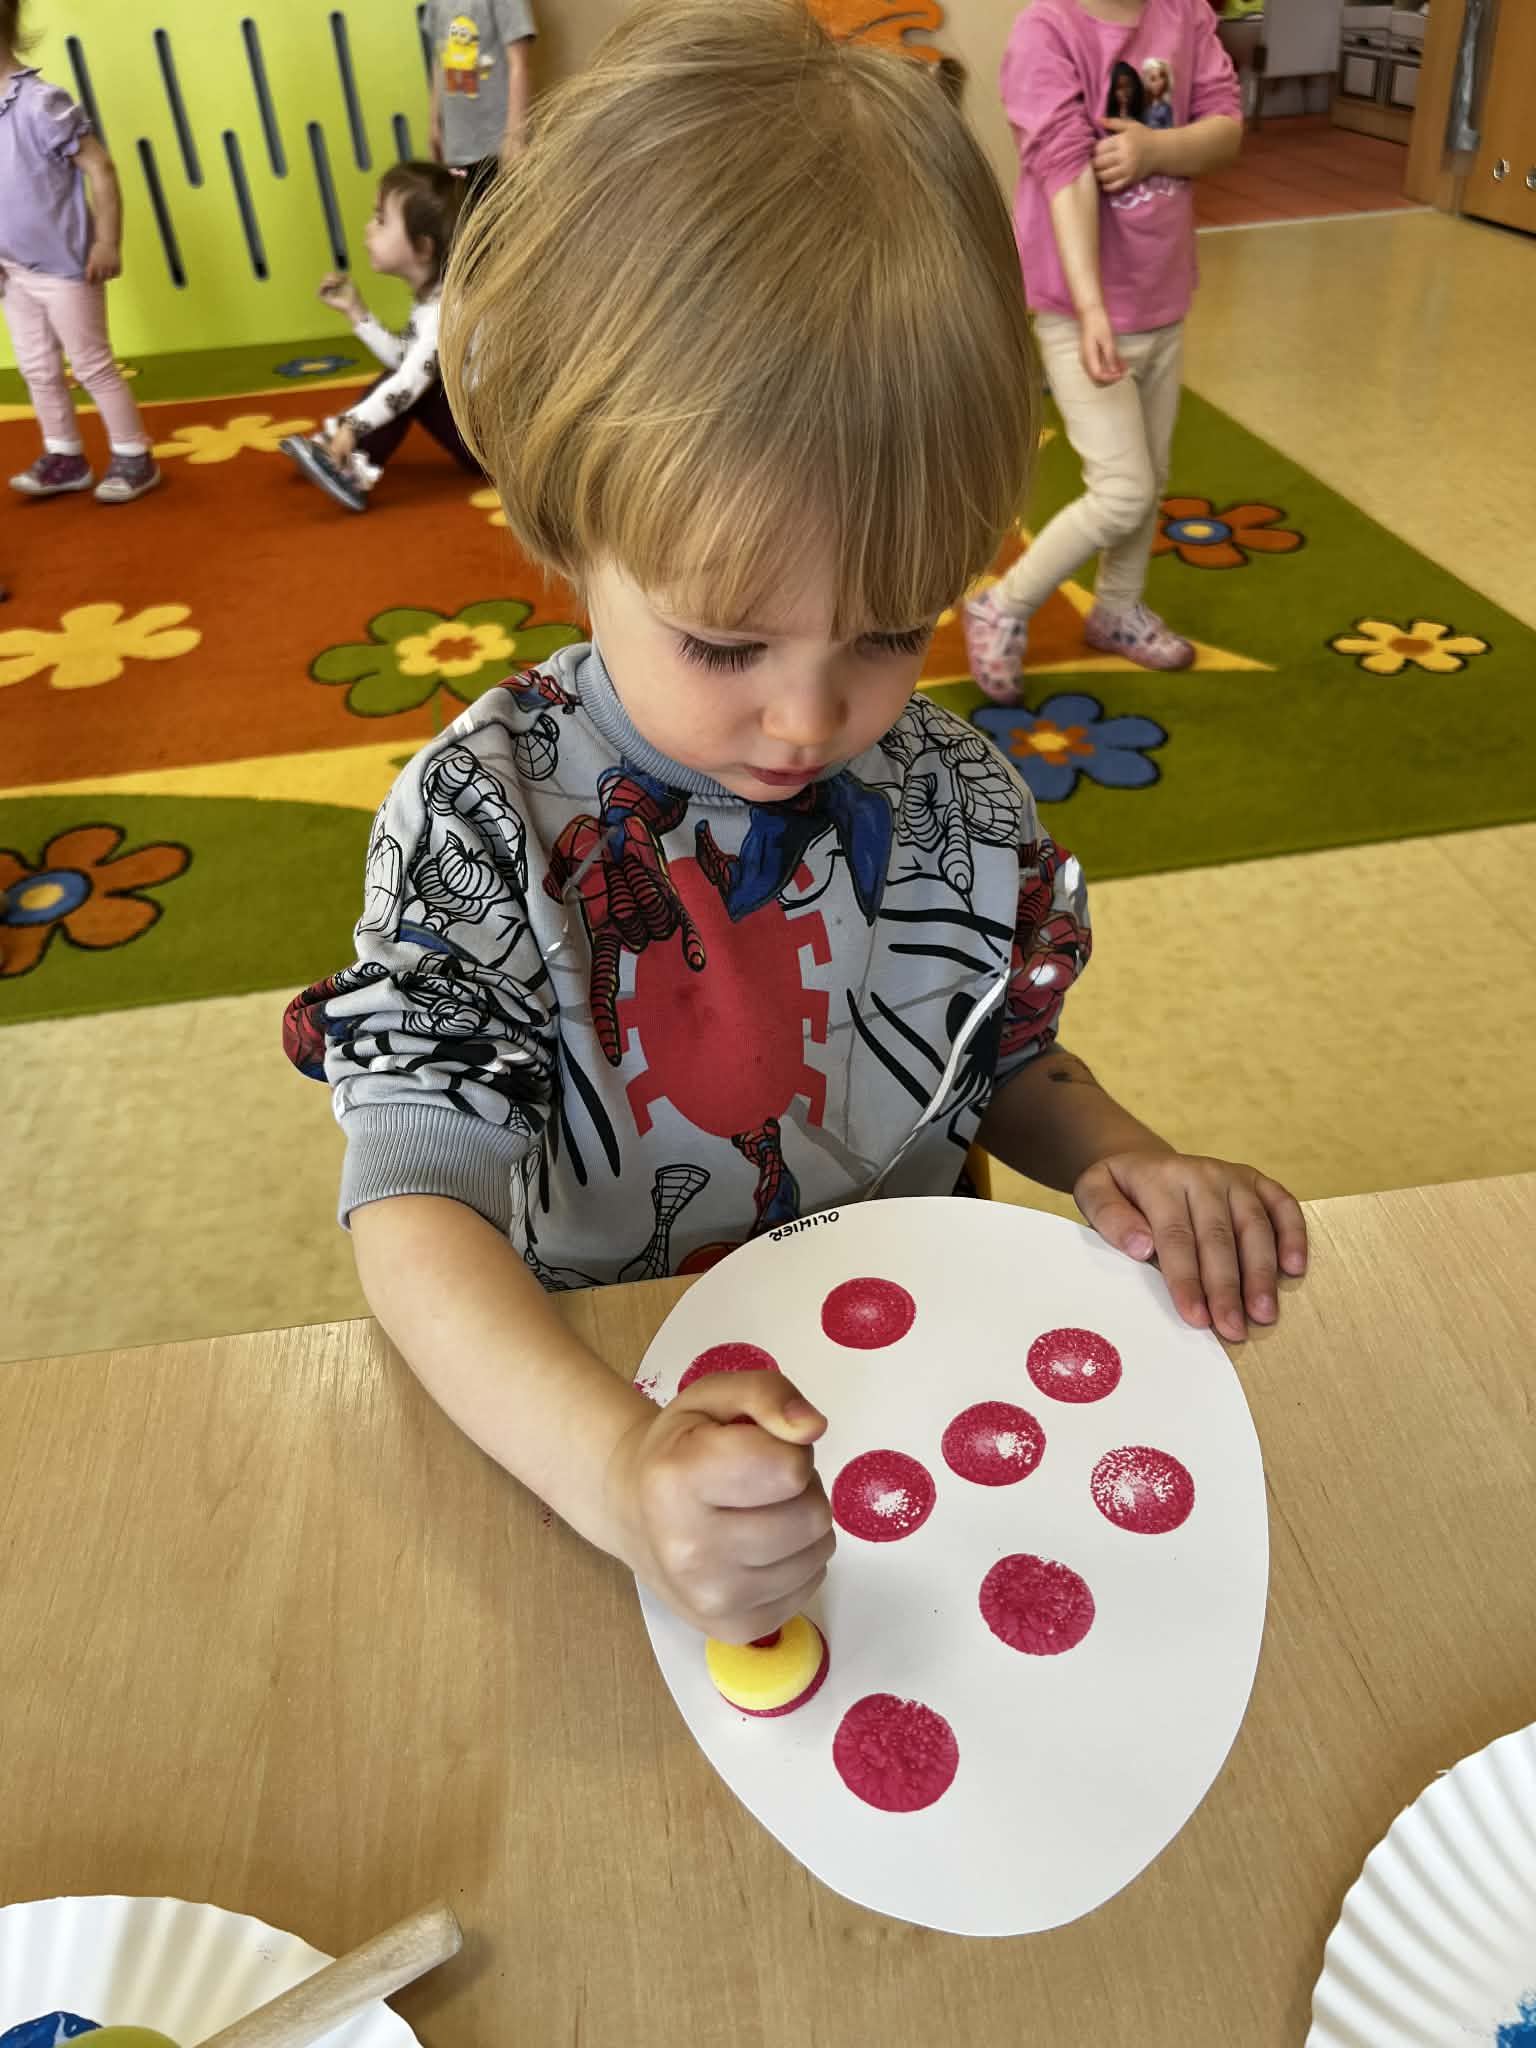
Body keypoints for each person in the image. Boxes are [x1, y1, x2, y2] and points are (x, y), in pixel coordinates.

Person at [283, 0, 1305, 1646]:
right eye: (722, 642)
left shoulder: (951, 793)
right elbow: (414, 1208)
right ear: (568, 514)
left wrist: (1121, 1157)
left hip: (922, 1403)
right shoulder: (486, 820)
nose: (810, 719)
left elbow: (992, 1056)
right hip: (598, 1407)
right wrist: (618, 1468)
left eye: (892, 630)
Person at [964, 0, 1242, 697]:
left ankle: (1118, 608)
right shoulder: (1047, 29)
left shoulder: (1183, 14)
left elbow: (1225, 128)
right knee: (1123, 489)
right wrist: (1090, 308)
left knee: (1151, 474)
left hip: (1161, 297)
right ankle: (1003, 605)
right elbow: (1065, 173)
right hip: (1080, 309)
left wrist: (1156, 150)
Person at [0, 0, 159, 505]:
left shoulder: (40, 103)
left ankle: (134, 455)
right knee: (37, 368)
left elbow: (100, 168)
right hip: (12, 271)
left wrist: (107, 241)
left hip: (66, 267)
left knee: (92, 365)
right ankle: (65, 455)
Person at [279, 162, 472, 515]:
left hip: (491, 450)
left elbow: (408, 382)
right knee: (403, 381)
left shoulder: (445, 311)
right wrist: (358, 313)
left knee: (402, 387)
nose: (369, 229)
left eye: (381, 221)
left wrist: (352, 426)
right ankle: (339, 450)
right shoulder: (434, 299)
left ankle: (347, 464)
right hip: (476, 431)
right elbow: (406, 361)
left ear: (423, 248)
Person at [426, 0, 537, 201]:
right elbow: (439, 58)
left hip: (496, 145)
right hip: (456, 144)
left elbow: (519, 64)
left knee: (503, 211)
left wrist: (516, 135)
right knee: (466, 212)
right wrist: (434, 121)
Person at [1142, 56, 1176, 126]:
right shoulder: (1144, 107)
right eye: (1153, 79)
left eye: (1161, 78)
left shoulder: (1165, 108)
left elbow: (1169, 128)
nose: (1158, 83)